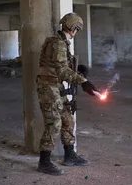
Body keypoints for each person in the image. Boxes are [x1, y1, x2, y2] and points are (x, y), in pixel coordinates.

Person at [36, 12, 99, 176]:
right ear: (75, 28)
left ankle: (70, 155)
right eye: (77, 29)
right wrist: (83, 81)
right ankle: (44, 162)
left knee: (67, 118)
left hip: (55, 85)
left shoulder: (62, 42)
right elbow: (62, 71)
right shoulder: (58, 44)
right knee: (54, 123)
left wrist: (78, 70)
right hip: (48, 87)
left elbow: (61, 65)